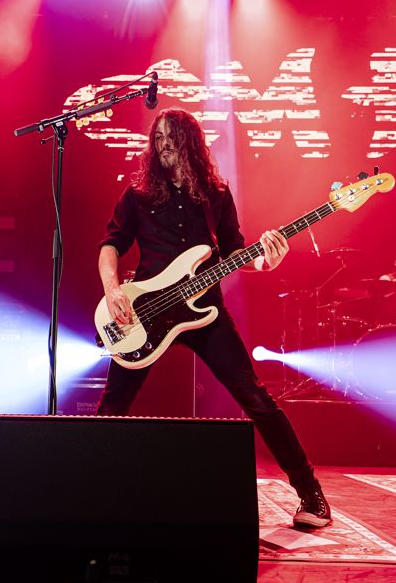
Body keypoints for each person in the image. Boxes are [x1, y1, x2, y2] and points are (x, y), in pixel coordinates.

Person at [96, 108, 331, 529]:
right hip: (144, 314)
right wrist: (114, 290)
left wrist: (268, 260)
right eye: (158, 136)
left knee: (256, 398)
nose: (162, 143)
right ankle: (82, 488)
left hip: (205, 312)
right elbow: (110, 245)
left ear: (190, 141)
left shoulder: (216, 195)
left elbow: (239, 253)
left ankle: (310, 492)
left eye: (172, 136)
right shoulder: (139, 196)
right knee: (112, 406)